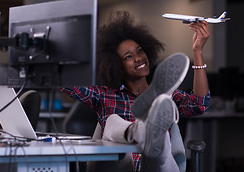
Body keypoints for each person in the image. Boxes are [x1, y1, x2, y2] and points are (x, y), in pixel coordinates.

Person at [60, 11, 211, 172]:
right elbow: (62, 80)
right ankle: (139, 132)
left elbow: (199, 105)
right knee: (112, 122)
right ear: (115, 65)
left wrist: (198, 51)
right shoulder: (104, 95)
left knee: (155, 152)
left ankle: (151, 137)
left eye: (139, 51)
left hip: (157, 168)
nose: (138, 58)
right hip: (121, 167)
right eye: (128, 57)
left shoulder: (166, 94)